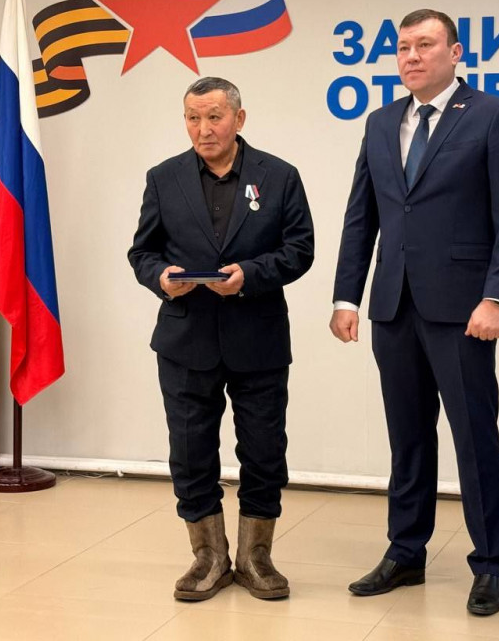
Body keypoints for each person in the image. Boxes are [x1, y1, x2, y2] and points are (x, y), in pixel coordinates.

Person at [330, 9, 499, 616]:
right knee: (408, 438)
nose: (412, 56)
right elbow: (361, 216)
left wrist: (498, 297)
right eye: (403, 47)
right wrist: (346, 296)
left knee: (474, 437)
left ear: (455, 52)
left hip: (464, 308)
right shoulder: (380, 122)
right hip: (393, 305)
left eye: (425, 45)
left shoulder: (493, 116)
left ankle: (490, 564)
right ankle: (405, 552)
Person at [129, 77, 314, 602]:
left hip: (258, 338)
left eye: (214, 117)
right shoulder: (164, 178)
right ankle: (208, 556)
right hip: (185, 339)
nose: (203, 128)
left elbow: (300, 249)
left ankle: (256, 557)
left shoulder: (279, 176)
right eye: (193, 118)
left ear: (239, 118)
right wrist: (161, 277)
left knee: (263, 450)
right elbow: (142, 252)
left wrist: (250, 275)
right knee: (190, 451)